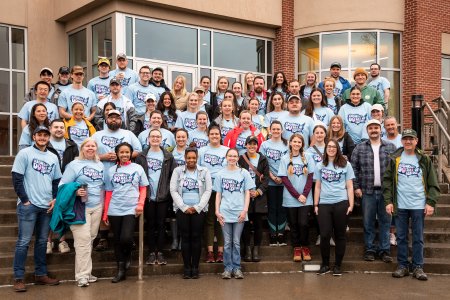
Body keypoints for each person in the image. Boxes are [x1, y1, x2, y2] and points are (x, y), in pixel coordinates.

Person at [384, 129, 440, 281]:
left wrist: (430, 202)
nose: (408, 141)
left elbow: (433, 183)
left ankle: (418, 266)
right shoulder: (395, 158)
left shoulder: (424, 159)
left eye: (411, 139)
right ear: (402, 141)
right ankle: (402, 265)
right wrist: (388, 201)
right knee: (401, 237)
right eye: (406, 139)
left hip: (418, 205)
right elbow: (387, 181)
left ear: (416, 141)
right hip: (400, 204)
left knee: (418, 237)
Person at [12, 125, 61, 292]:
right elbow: (17, 178)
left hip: (46, 206)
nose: (42, 138)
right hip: (29, 206)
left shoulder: (53, 157)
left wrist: (54, 199)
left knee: (41, 242)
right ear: (34, 137)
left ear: (49, 138)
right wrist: (25, 200)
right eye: (39, 135)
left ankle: (40, 274)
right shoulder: (24, 154)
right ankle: (19, 277)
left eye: (45, 135)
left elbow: (56, 181)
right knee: (23, 242)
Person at [59, 138, 104, 287]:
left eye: (93, 146)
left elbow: (102, 186)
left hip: (97, 206)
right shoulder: (74, 164)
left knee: (89, 239)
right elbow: (63, 185)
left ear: (96, 149)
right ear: (82, 149)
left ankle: (87, 273)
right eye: (87, 146)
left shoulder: (100, 164)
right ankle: (82, 276)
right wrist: (76, 191)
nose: (90, 148)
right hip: (79, 207)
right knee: (83, 240)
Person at [102, 142, 149, 283]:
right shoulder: (111, 171)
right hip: (114, 209)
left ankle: (128, 254)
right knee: (117, 240)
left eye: (127, 152)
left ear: (130, 153)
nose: (124, 154)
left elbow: (143, 188)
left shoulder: (138, 168)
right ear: (117, 154)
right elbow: (108, 193)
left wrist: (140, 204)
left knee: (126, 238)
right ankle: (121, 269)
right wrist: (105, 212)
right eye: (121, 152)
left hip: (131, 208)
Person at [351, 119, 396, 263]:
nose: (374, 130)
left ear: (381, 129)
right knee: (368, 222)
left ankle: (384, 250)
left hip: (386, 192)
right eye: (371, 128)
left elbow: (396, 170)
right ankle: (369, 249)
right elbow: (353, 169)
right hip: (367, 191)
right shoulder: (359, 148)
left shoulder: (391, 147)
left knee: (385, 222)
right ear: (367, 131)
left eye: (376, 127)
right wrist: (356, 187)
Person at [170, 144, 212, 279]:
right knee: (185, 238)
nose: (191, 160)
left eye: (194, 158)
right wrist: (184, 207)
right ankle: (187, 267)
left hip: (198, 210)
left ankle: (195, 267)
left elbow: (208, 190)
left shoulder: (204, 171)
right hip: (182, 210)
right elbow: (173, 190)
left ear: (197, 158)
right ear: (185, 158)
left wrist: (197, 207)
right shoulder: (177, 171)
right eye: (189, 158)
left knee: (196, 237)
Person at [314, 139, 355, 276]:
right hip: (324, 203)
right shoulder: (320, 165)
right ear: (326, 149)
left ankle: (338, 265)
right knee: (324, 234)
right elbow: (318, 186)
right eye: (329, 146)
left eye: (334, 147)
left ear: (338, 149)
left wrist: (351, 203)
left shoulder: (346, 165)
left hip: (341, 202)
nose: (331, 149)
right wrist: (316, 204)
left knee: (340, 235)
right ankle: (325, 264)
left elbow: (349, 186)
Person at [215, 148, 255, 279]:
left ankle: (237, 268)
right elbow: (218, 194)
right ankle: (227, 268)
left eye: (234, 156)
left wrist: (245, 210)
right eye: (230, 156)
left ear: (238, 158)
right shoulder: (220, 174)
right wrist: (217, 211)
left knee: (236, 241)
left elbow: (247, 193)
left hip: (239, 212)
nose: (232, 158)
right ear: (226, 157)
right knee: (227, 242)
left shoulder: (244, 173)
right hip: (225, 212)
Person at [278, 134, 314, 262]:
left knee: (303, 223)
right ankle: (296, 248)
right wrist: (297, 195)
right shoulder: (284, 158)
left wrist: (304, 194)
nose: (297, 144)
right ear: (290, 143)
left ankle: (305, 246)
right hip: (290, 198)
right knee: (293, 224)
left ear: (302, 144)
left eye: (299, 142)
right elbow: (284, 179)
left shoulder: (308, 157)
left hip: (305, 198)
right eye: (294, 141)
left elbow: (310, 178)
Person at [143, 129, 176, 265]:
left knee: (161, 224)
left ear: (161, 139)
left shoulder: (168, 156)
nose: (155, 139)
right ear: (148, 139)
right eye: (153, 136)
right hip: (148, 196)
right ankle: (151, 252)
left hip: (163, 195)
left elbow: (173, 176)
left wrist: (168, 191)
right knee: (150, 224)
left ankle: (160, 252)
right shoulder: (142, 156)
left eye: (158, 136)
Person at [198, 125, 228, 263]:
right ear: (208, 135)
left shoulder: (226, 151)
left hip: (223, 190)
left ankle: (221, 252)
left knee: (221, 220)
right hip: (207, 190)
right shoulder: (202, 151)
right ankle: (210, 252)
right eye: (212, 134)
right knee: (209, 220)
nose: (214, 136)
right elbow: (198, 171)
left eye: (217, 134)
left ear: (220, 135)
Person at [239, 136, 269, 262]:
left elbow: (266, 178)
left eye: (254, 144)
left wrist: (258, 191)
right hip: (244, 196)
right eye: (249, 144)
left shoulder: (263, 159)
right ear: (245, 145)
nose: (252, 146)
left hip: (258, 197)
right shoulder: (241, 159)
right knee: (245, 224)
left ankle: (256, 249)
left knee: (258, 225)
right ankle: (247, 249)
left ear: (257, 146)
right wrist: (246, 192)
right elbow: (237, 176)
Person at [259, 121, 289, 246]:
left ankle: (281, 233)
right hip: (270, 182)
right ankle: (272, 233)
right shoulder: (265, 145)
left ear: (282, 130)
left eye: (278, 129)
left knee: (282, 208)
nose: (276, 131)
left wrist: (282, 177)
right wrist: (272, 176)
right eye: (274, 129)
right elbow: (263, 163)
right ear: (270, 130)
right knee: (272, 208)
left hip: (284, 182)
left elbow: (291, 162)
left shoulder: (287, 144)